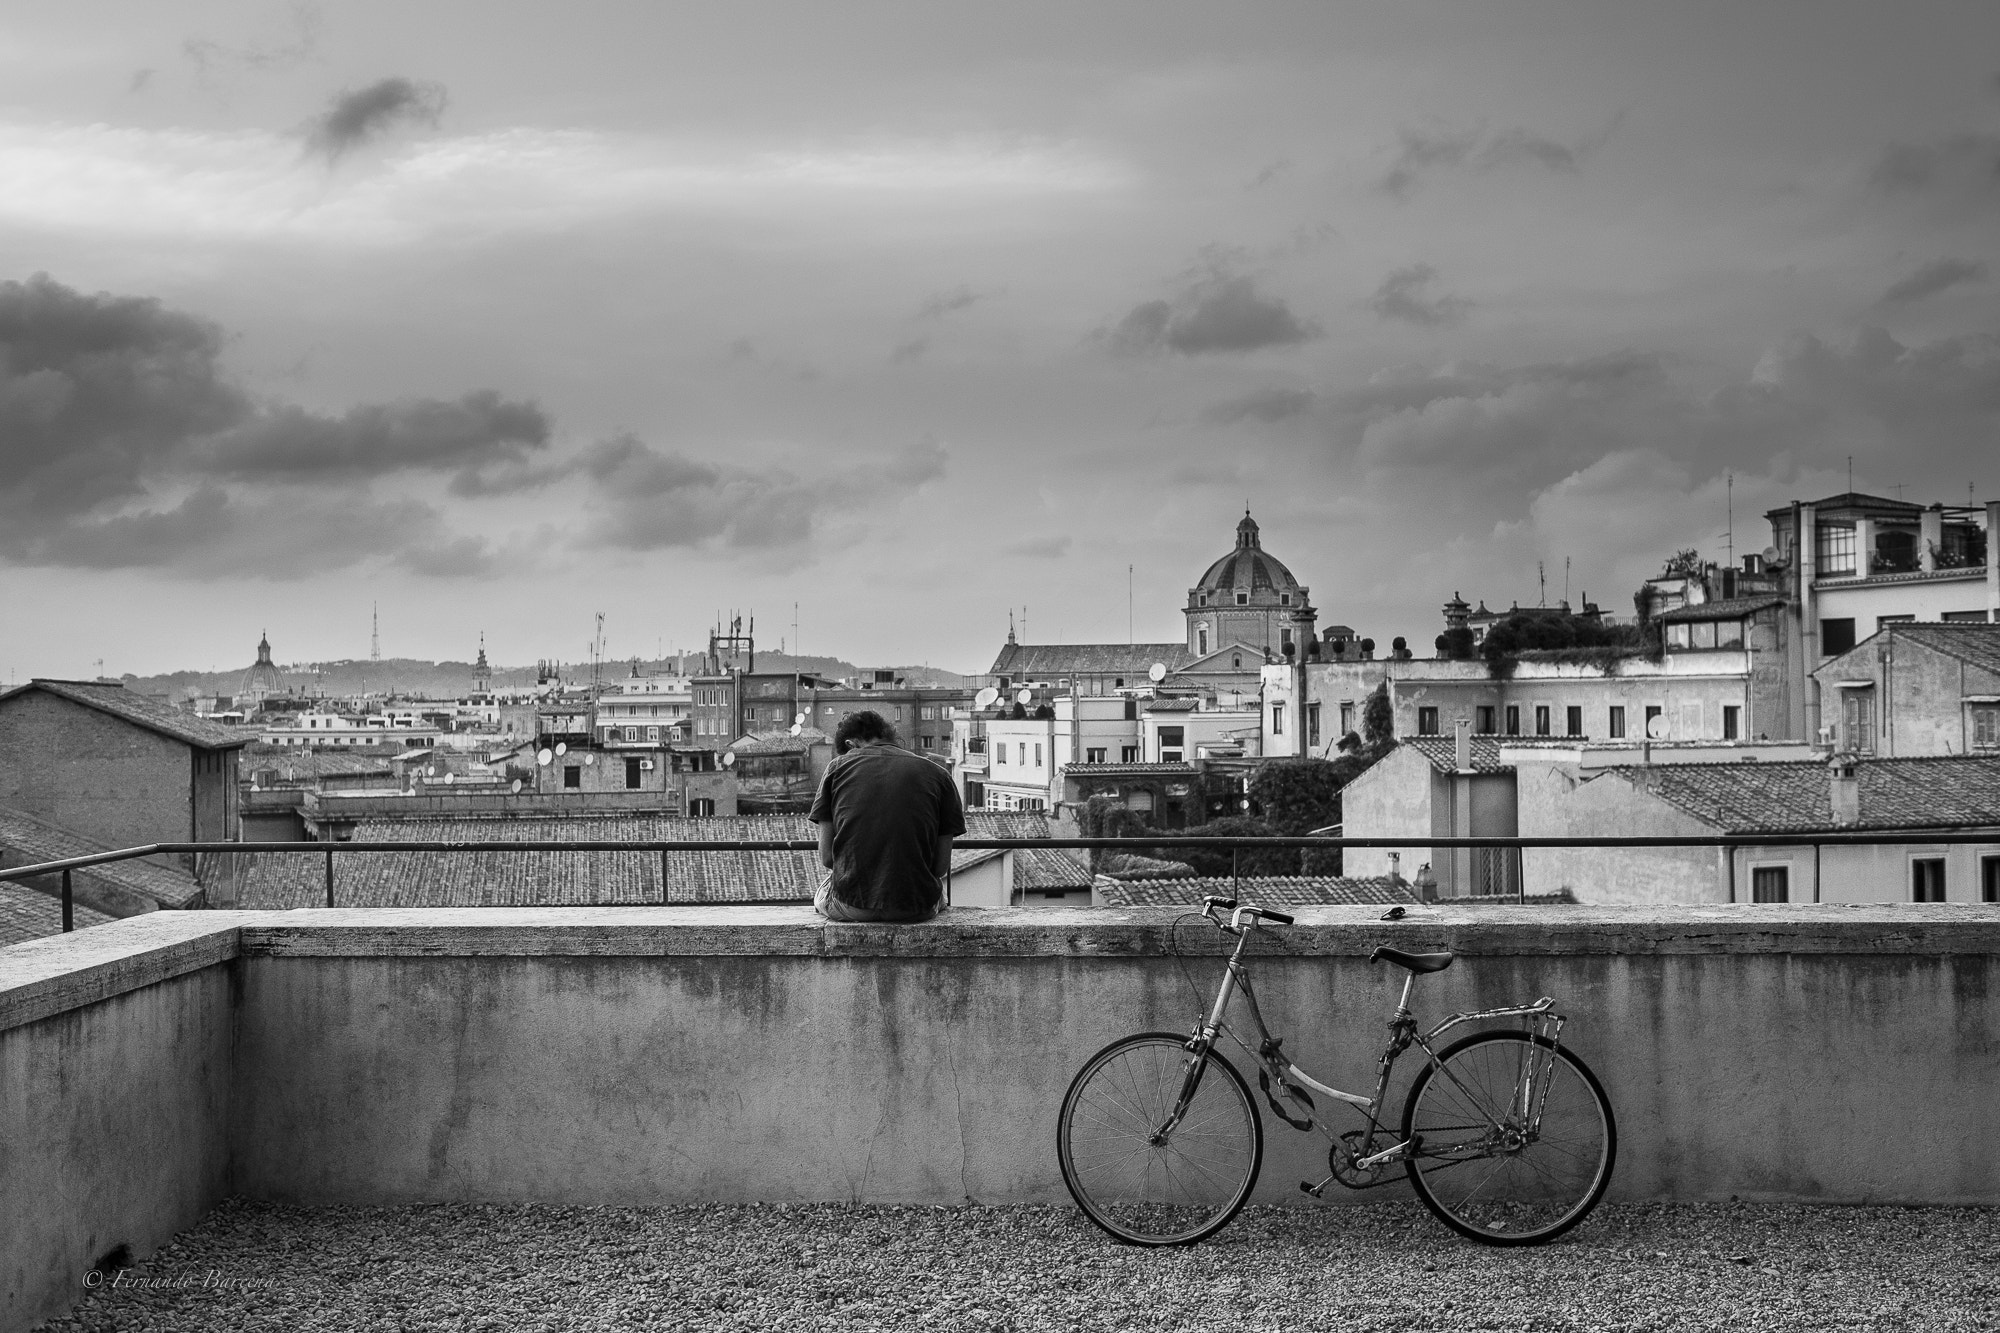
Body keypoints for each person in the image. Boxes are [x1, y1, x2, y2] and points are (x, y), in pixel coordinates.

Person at [807, 710, 965, 923]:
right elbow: (939, 867)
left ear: (851, 745)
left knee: (824, 891)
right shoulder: (940, 775)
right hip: (917, 908)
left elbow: (827, 858)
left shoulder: (836, 768)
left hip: (852, 905)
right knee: (939, 896)